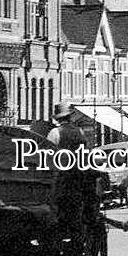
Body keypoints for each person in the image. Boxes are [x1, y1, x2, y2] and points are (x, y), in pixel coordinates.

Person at [47, 101, 88, 246]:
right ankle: (76, 231)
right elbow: (84, 153)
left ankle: (57, 227)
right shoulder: (80, 132)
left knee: (56, 203)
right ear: (70, 117)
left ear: (58, 119)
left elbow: (49, 156)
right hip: (77, 176)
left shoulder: (55, 133)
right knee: (76, 204)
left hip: (61, 178)